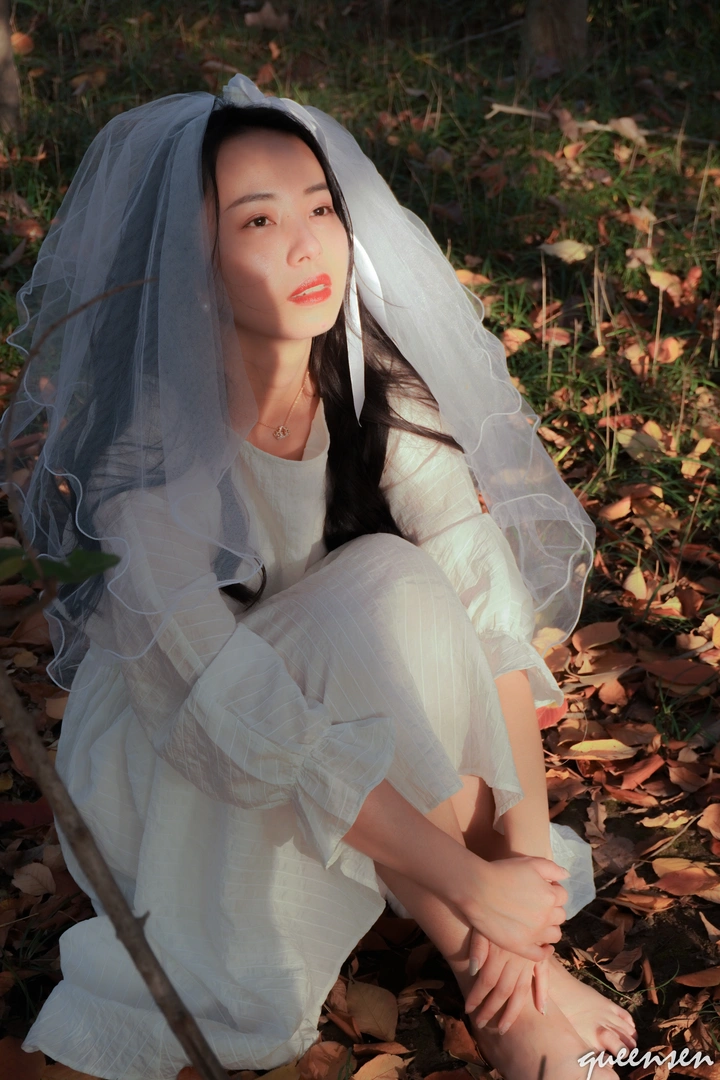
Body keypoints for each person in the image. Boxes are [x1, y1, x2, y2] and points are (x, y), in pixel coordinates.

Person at [1, 73, 635, 1080]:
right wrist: (479, 889)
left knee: (402, 583)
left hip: (339, 712)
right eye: (259, 221)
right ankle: (503, 977)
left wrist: (521, 854)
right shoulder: (145, 467)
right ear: (193, 265)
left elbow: (488, 624)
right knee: (373, 589)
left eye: (321, 209)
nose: (310, 248)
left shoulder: (370, 391)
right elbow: (234, 711)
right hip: (179, 762)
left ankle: (507, 965)